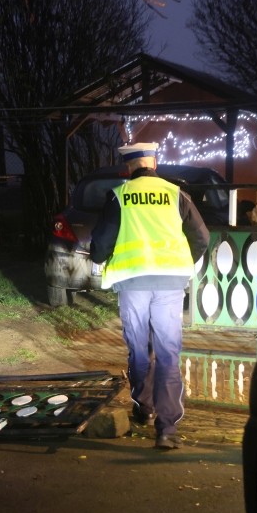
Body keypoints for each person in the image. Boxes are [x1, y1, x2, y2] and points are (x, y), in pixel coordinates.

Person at [89, 142, 210, 450]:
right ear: (154, 163)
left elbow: (102, 243)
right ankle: (167, 429)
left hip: (132, 283)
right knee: (169, 353)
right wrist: (182, 262)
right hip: (170, 282)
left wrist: (99, 258)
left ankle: (144, 406)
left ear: (129, 167)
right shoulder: (176, 195)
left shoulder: (120, 196)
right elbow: (201, 237)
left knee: (140, 351)